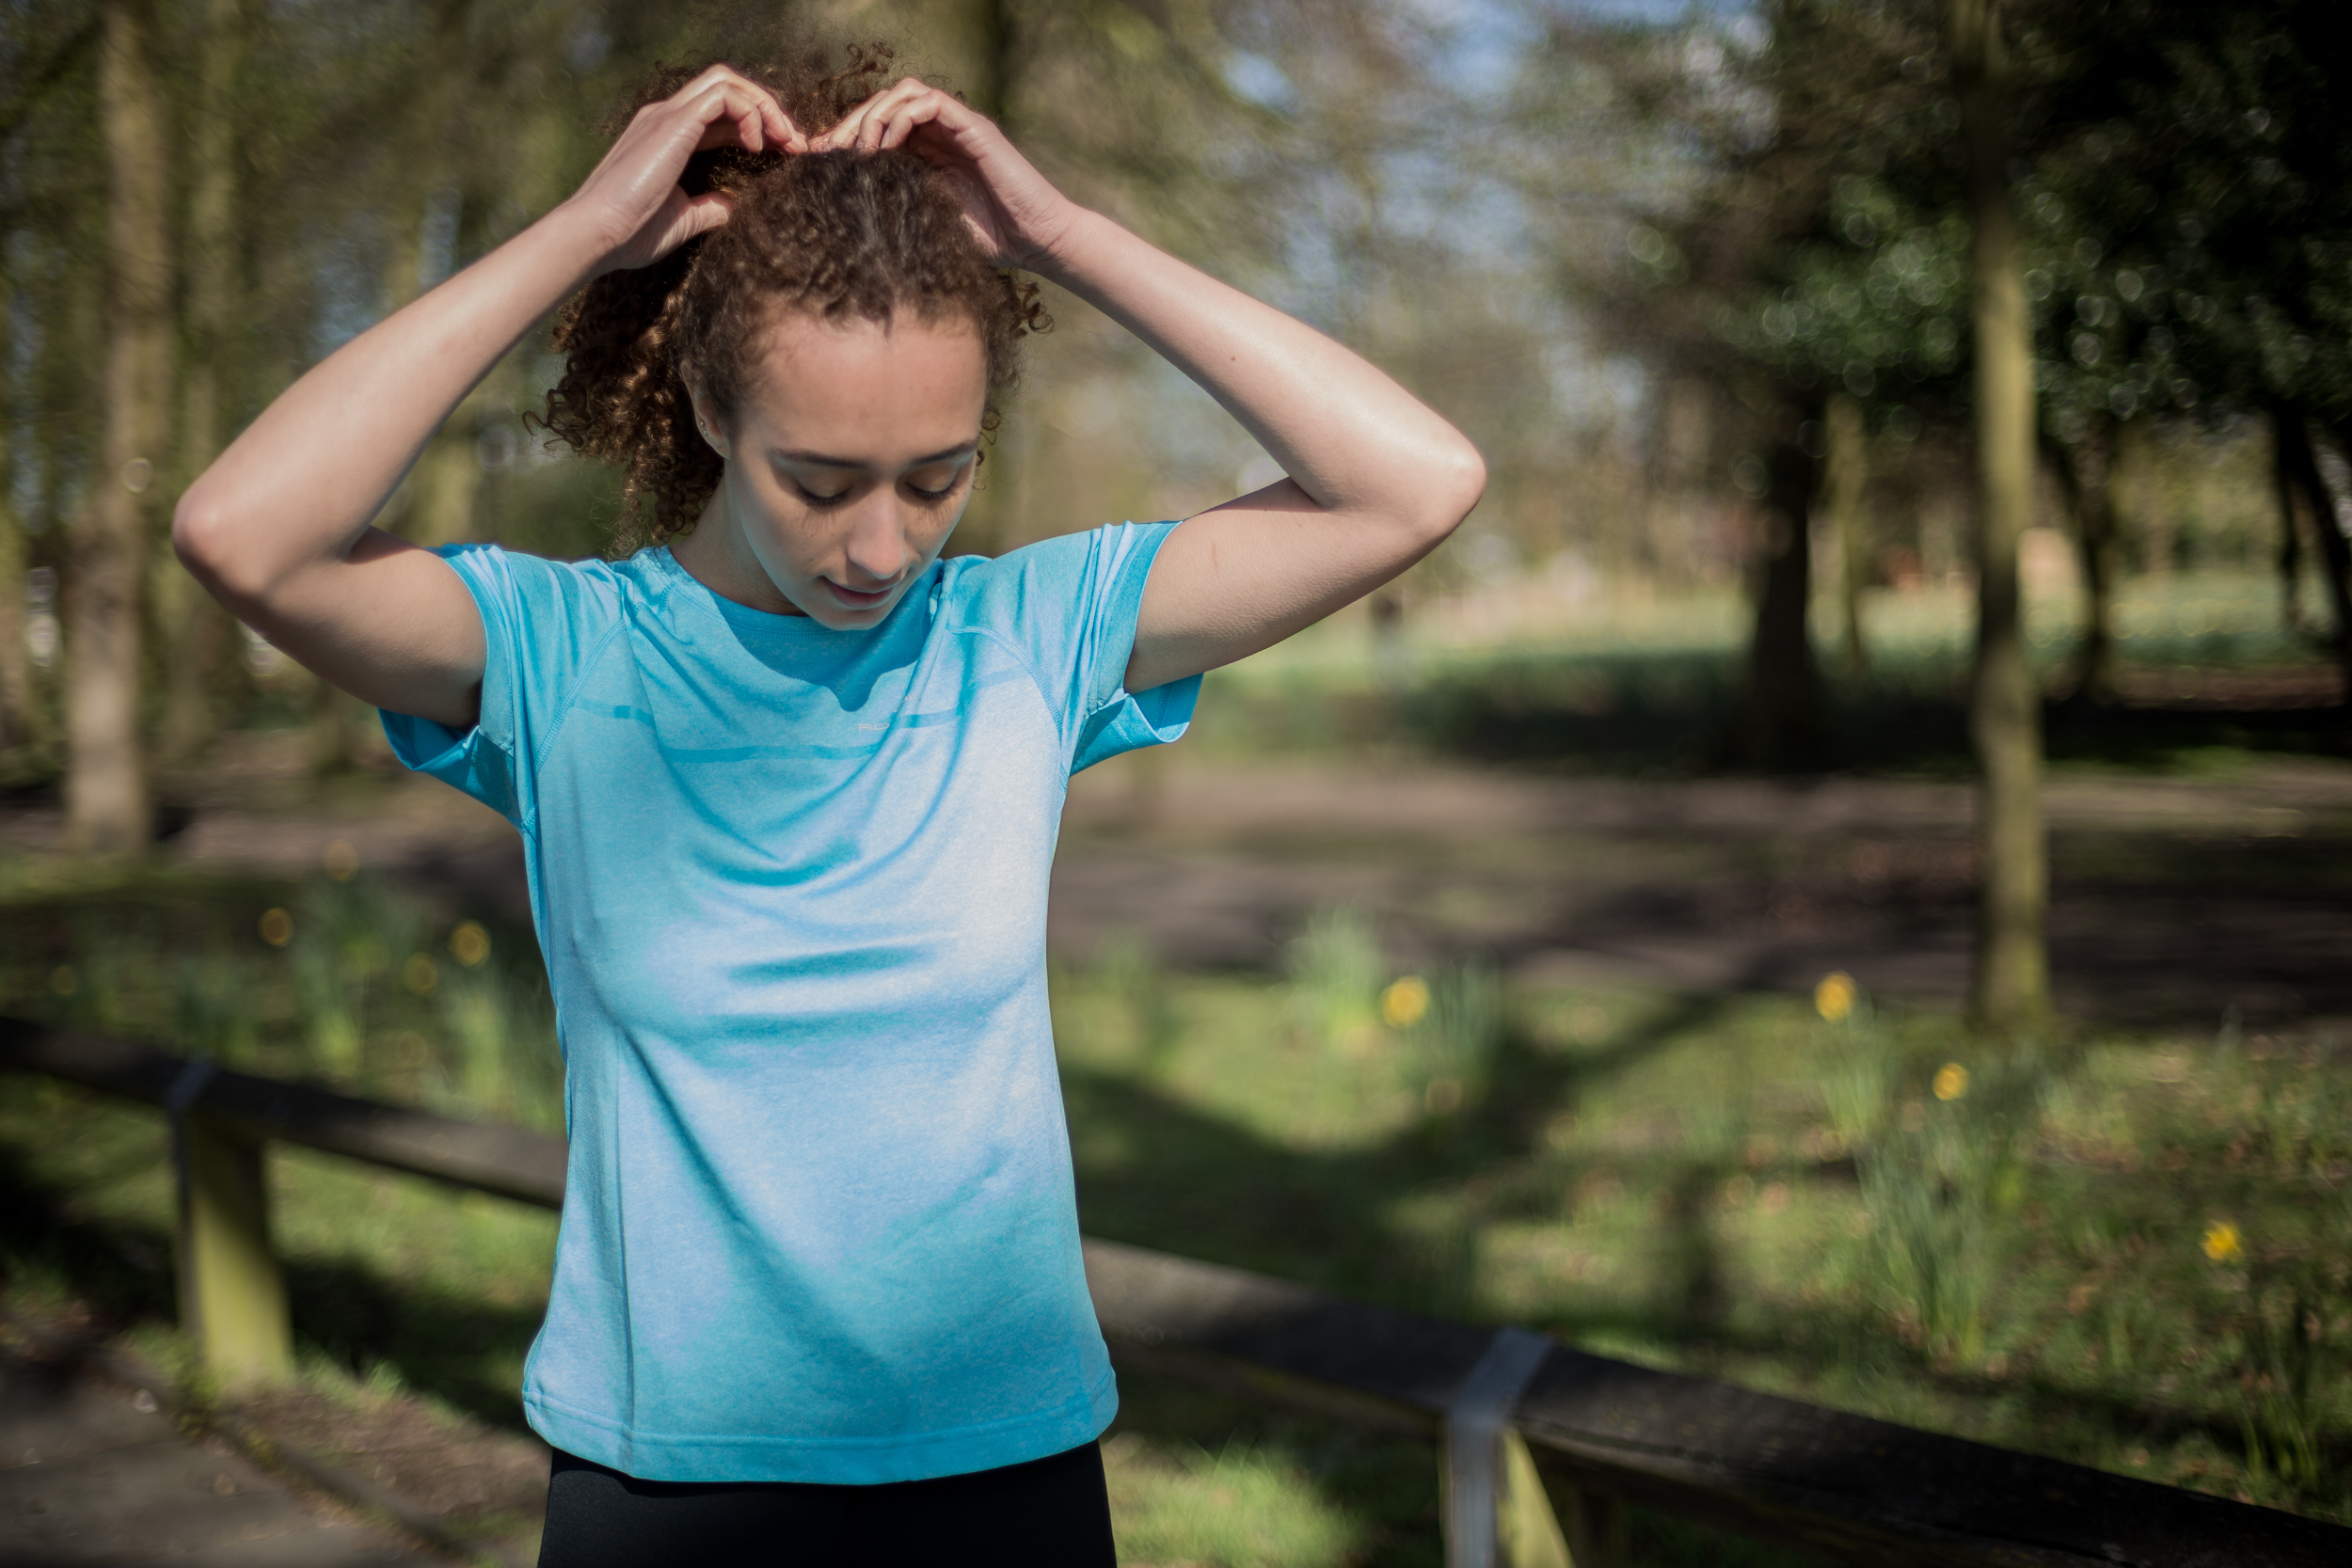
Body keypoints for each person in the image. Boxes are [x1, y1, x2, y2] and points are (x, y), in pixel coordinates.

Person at [175, 45, 1484, 1567]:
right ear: (712, 409)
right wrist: (585, 231)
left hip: (1005, 1480)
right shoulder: (565, 656)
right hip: (667, 1494)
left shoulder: (1026, 640)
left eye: (939, 477)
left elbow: (1419, 481)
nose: (881, 546)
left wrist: (1057, 234)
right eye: (820, 477)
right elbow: (240, 534)